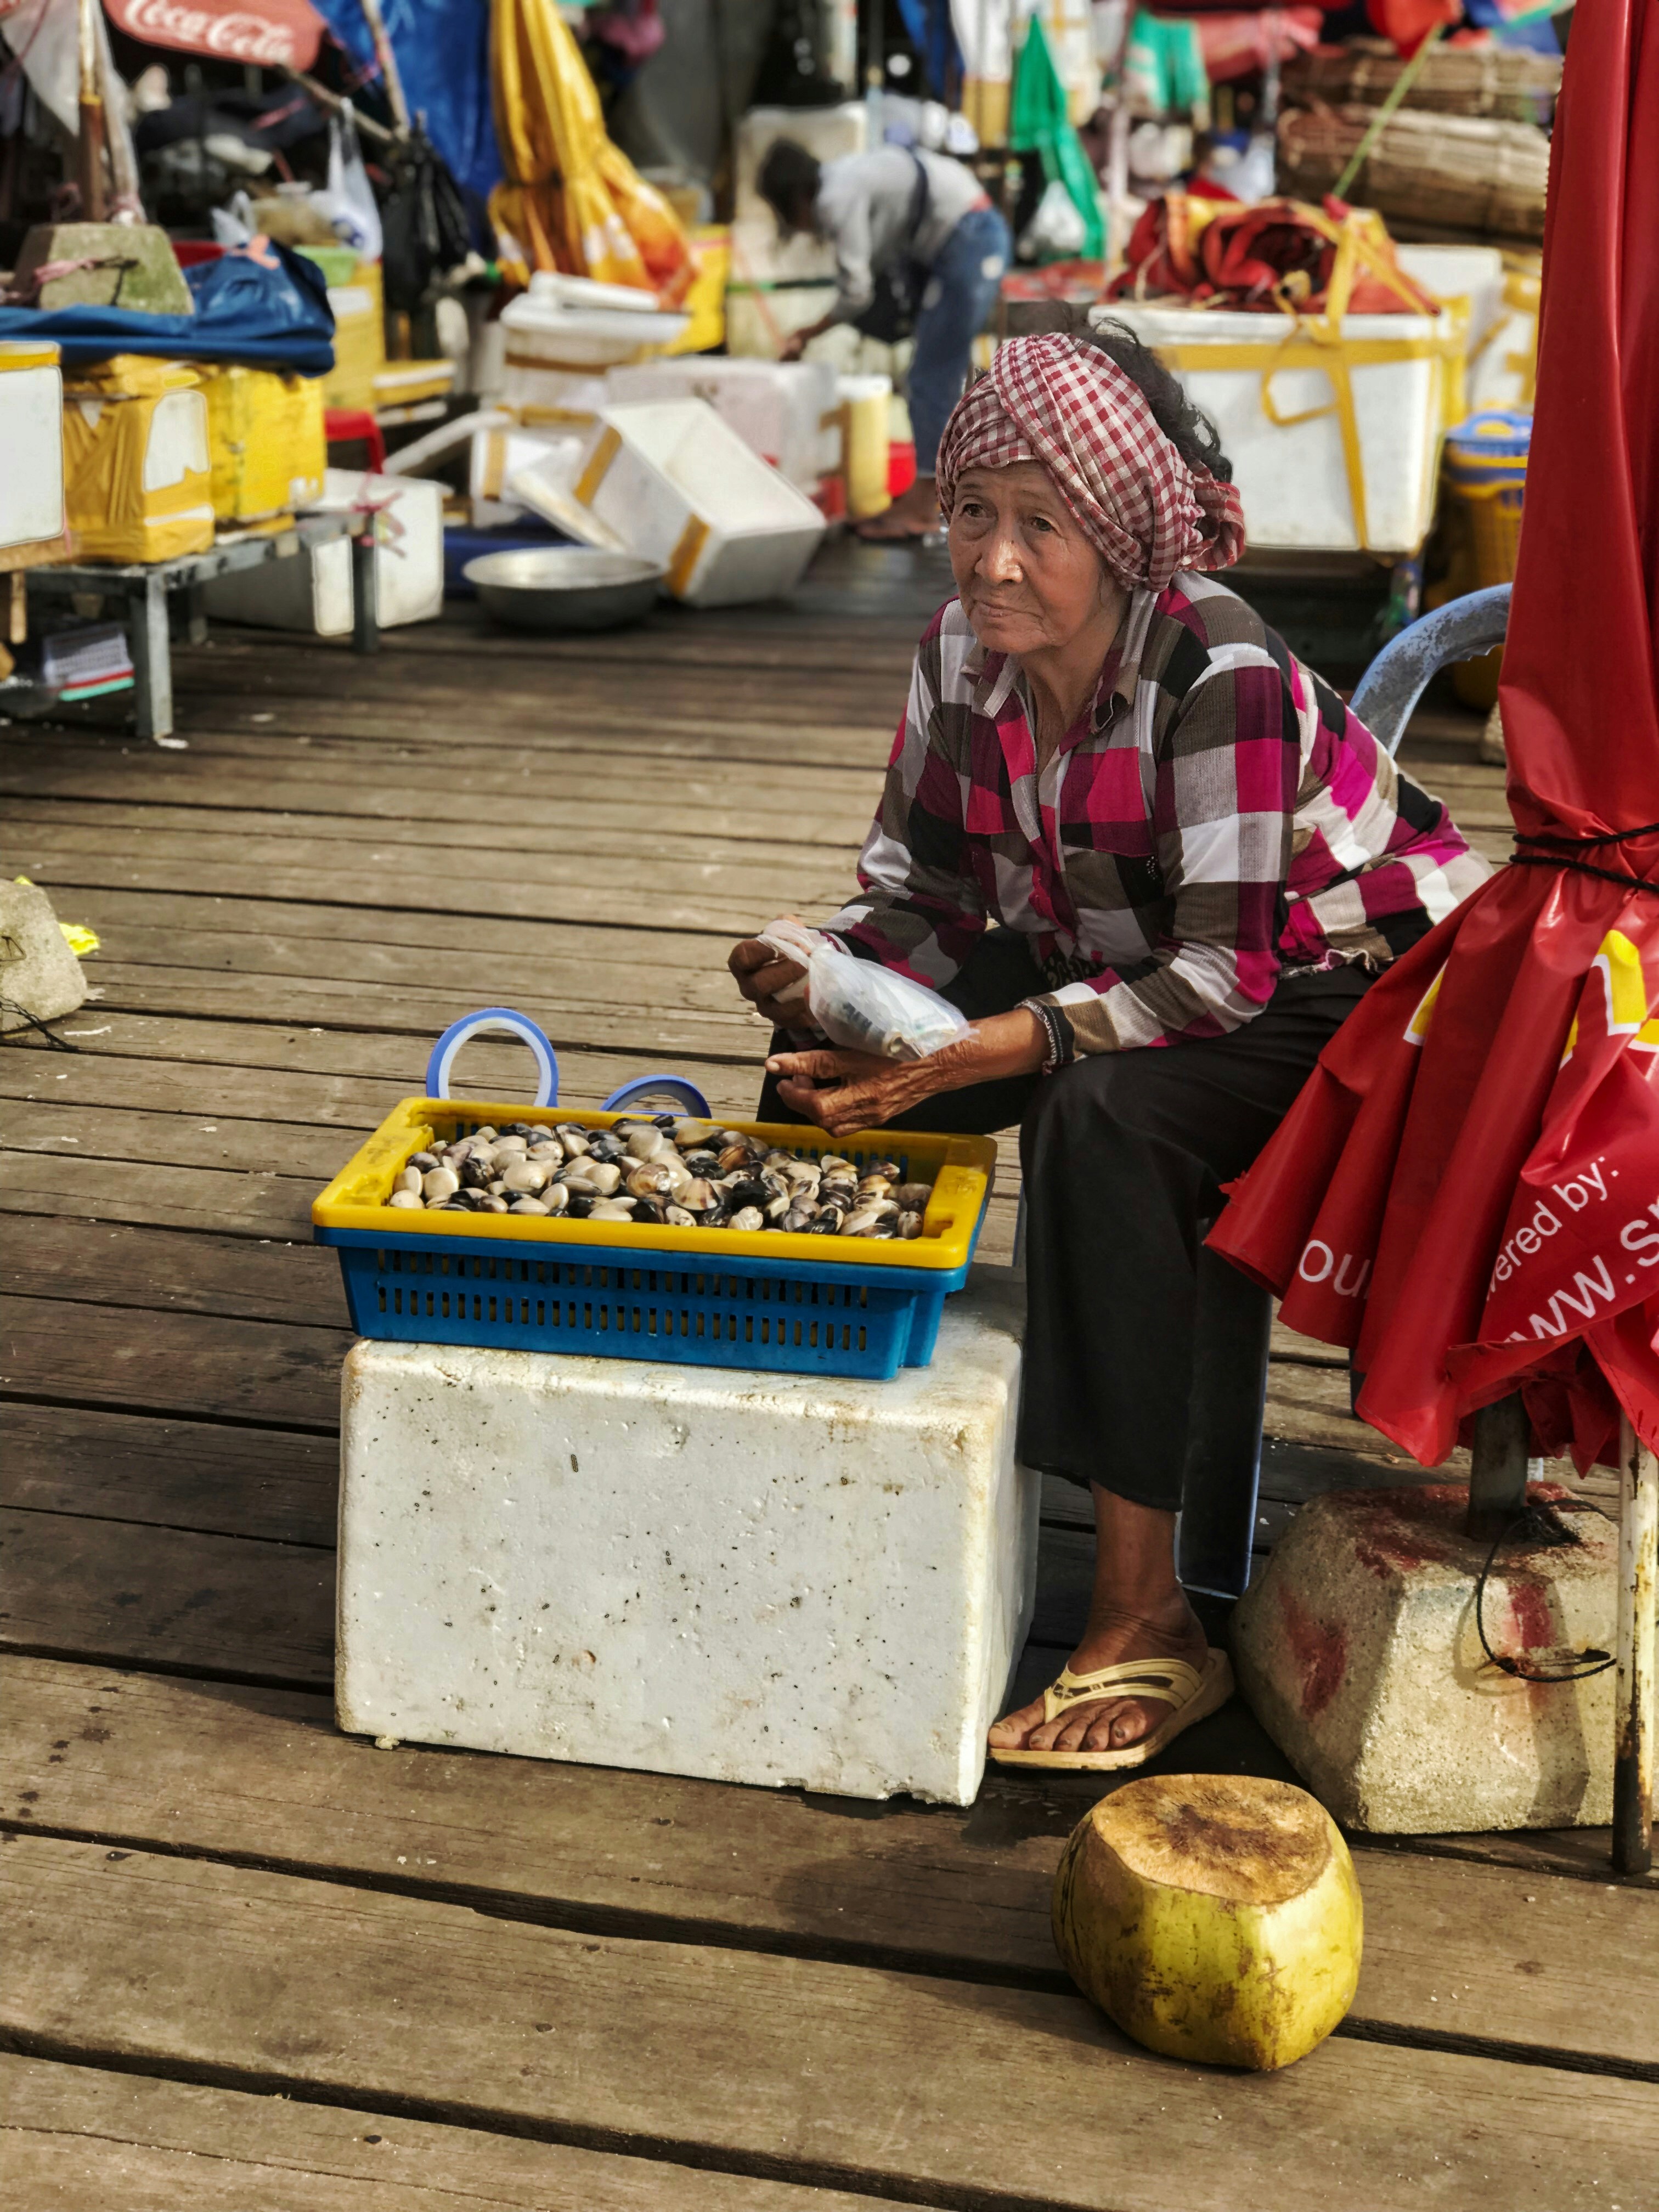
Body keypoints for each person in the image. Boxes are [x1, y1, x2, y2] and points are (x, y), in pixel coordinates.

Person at [729, 318, 1486, 1772]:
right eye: (970, 513)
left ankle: (1149, 1618)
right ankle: (833, 1485)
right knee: (819, 1077)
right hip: (1121, 956)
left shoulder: (1224, 670)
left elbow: (1225, 975)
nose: (992, 560)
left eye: (1040, 525)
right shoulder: (961, 656)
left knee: (1098, 1119)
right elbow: (926, 894)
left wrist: (992, 1047)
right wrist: (826, 969)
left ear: (1123, 537)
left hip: (1346, 997)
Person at [756, 136, 1010, 540]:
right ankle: (928, 496)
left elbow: (856, 292)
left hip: (969, 240)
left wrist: (806, 334)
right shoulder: (846, 176)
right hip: (966, 235)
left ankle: (925, 507)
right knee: (930, 377)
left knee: (931, 378)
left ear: (796, 199)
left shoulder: (835, 197)